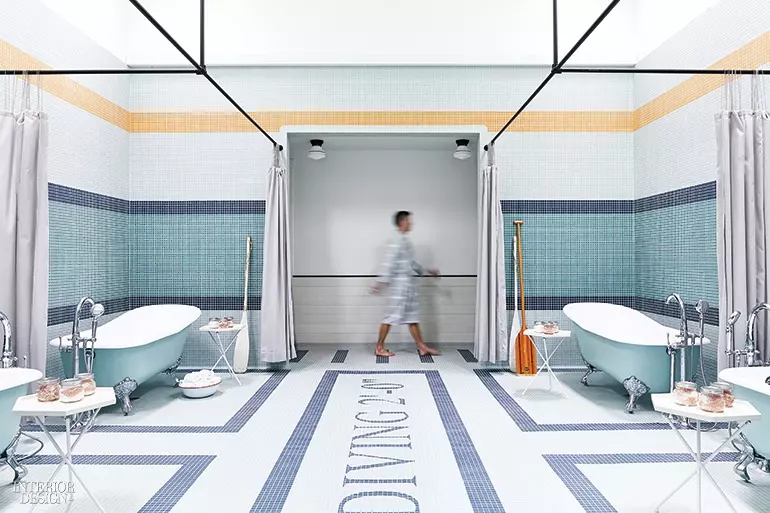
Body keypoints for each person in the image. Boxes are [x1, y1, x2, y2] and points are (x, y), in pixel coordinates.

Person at [371, 211, 441, 357]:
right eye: (409, 221)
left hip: (407, 287)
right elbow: (388, 262)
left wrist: (427, 271)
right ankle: (379, 347)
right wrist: (381, 282)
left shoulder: (405, 240)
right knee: (389, 317)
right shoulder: (396, 240)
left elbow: (412, 263)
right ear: (402, 222)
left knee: (412, 317)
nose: (411, 223)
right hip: (399, 288)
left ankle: (422, 346)